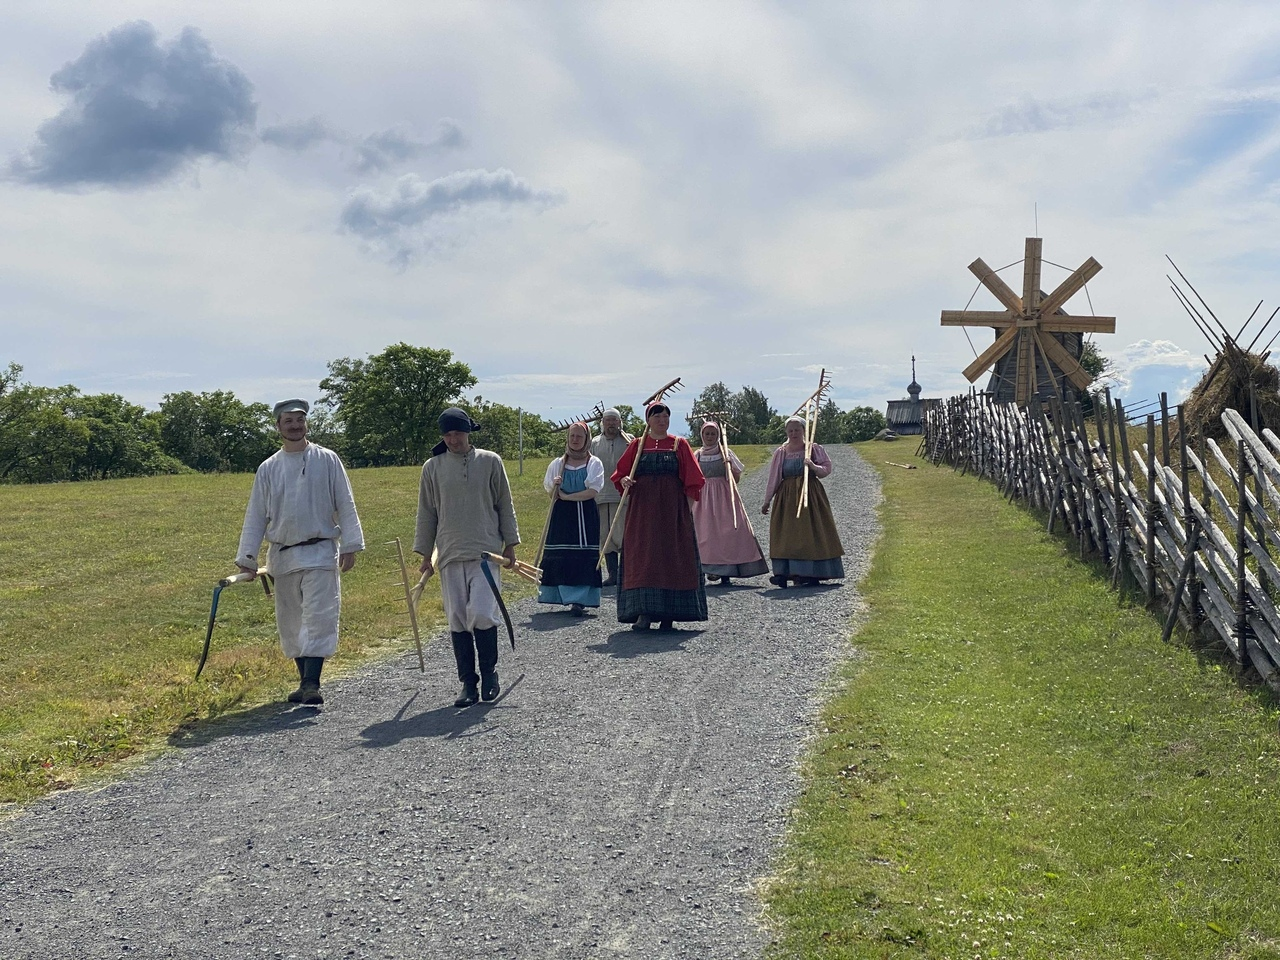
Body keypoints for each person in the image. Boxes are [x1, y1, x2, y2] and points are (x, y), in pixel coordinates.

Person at [235, 399, 365, 706]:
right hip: (283, 556)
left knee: (319, 616)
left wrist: (351, 544)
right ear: (278, 426)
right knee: (291, 622)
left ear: (306, 424)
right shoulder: (268, 468)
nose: (295, 425)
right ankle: (303, 681)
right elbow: (256, 515)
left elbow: (345, 502)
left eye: (300, 420)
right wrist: (248, 560)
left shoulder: (327, 459)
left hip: (320, 552)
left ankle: (311, 683)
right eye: (288, 421)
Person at [415, 407, 520, 707]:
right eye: (447, 435)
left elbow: (504, 503)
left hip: (485, 553)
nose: (453, 440)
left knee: (483, 613)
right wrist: (425, 554)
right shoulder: (432, 468)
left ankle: (489, 674)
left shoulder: (490, 461)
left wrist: (510, 544)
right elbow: (427, 512)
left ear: (468, 432)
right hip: (449, 553)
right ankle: (468, 683)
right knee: (458, 618)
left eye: (458, 433)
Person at [612, 401, 707, 630]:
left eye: (665, 416)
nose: (662, 421)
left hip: (672, 514)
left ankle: (669, 615)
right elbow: (620, 474)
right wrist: (624, 481)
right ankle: (643, 612)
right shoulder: (637, 446)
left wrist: (685, 512)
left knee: (670, 559)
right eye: (657, 417)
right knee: (644, 559)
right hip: (642, 516)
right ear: (648, 420)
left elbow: (694, 480)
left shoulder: (679, 445)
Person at [761, 415, 845, 588]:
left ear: (804, 431)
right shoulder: (781, 452)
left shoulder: (813, 449)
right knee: (787, 534)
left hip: (811, 496)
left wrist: (813, 466)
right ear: (786, 432)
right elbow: (774, 478)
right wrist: (767, 500)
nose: (794, 433)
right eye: (790, 430)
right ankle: (785, 572)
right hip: (787, 498)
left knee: (810, 532)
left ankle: (813, 571)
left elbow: (826, 469)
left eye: (797, 430)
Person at [537, 422, 605, 614]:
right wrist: (556, 489)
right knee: (560, 553)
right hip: (562, 515)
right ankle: (558, 596)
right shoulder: (558, 464)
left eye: (579, 437)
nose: (575, 440)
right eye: (572, 436)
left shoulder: (594, 463)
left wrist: (568, 497)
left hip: (584, 513)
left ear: (586, 439)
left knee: (582, 555)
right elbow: (551, 492)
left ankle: (580, 600)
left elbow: (592, 491)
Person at [692, 420, 768, 585]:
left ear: (718, 435)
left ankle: (728, 571)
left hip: (725, 497)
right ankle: (709, 570)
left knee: (728, 532)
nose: (710, 437)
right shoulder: (697, 455)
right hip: (704, 499)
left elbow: (736, 479)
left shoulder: (726, 453)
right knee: (706, 534)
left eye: (713, 433)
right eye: (707, 434)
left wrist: (729, 465)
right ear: (702, 435)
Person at [591, 408, 633, 586]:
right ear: (603, 423)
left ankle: (627, 574)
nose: (611, 424)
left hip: (621, 496)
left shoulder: (628, 440)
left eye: (614, 421)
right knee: (604, 536)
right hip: (600, 496)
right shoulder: (595, 442)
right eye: (608, 421)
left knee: (622, 535)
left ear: (619, 422)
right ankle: (613, 574)